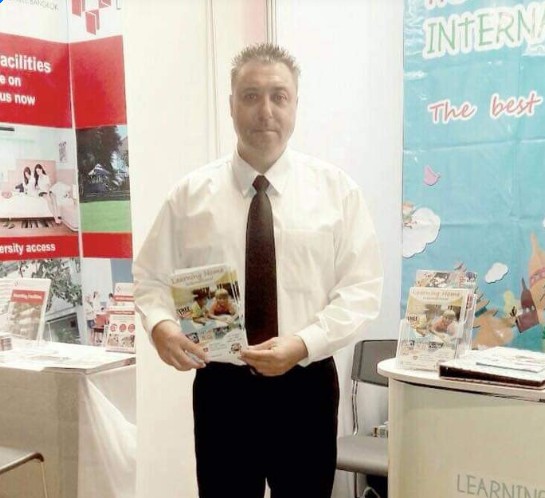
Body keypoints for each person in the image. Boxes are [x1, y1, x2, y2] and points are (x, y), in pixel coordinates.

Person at [133, 43, 383, 498]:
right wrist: (161, 327)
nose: (265, 111)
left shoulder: (337, 193)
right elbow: (150, 277)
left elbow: (361, 290)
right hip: (222, 389)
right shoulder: (190, 197)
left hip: (306, 385)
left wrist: (302, 343)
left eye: (278, 96)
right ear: (230, 104)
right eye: (250, 96)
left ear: (295, 105)